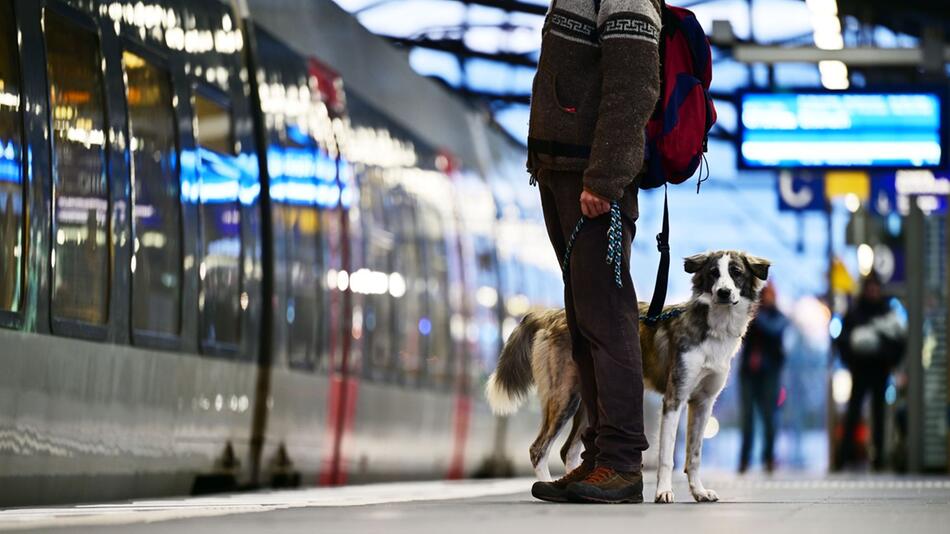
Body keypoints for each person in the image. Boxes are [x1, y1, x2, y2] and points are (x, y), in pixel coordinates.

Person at [526, 0, 662, 504]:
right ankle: (597, 457)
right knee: (585, 320)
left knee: (606, 318)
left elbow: (633, 86)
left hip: (591, 182)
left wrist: (605, 178)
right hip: (563, 172)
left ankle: (623, 461)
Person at [835, 272, 906, 471]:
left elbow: (899, 342)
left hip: (879, 370)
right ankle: (844, 456)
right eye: (870, 288)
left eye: (876, 288)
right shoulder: (856, 312)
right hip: (860, 370)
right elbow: (843, 340)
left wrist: (889, 359)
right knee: (853, 413)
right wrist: (850, 358)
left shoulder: (886, 313)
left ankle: (879, 458)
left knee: (879, 414)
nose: (873, 291)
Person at [738, 282, 788, 474]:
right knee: (747, 418)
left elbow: (773, 329)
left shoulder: (779, 317)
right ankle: (744, 459)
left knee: (769, 416)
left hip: (770, 372)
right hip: (749, 372)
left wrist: (756, 316)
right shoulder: (750, 316)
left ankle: (768, 457)